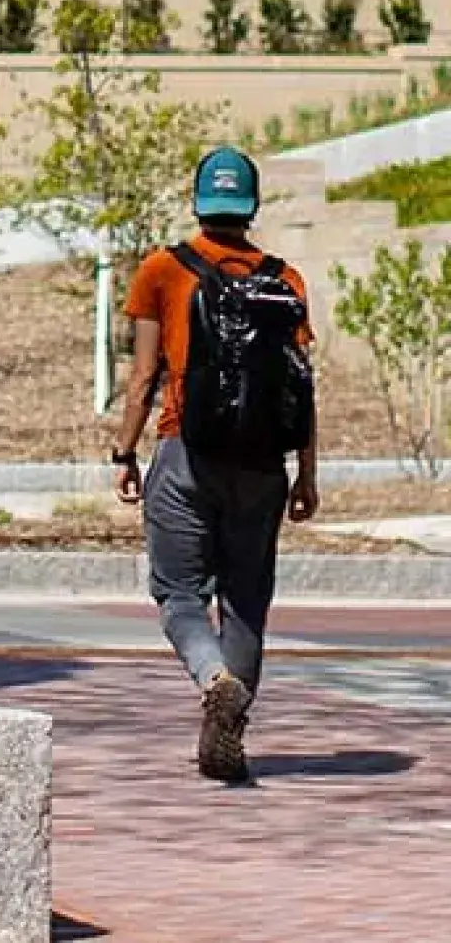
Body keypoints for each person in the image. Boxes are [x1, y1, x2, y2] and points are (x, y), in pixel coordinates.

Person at [106, 145, 319, 783]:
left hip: (186, 452)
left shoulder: (163, 271)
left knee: (176, 591)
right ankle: (226, 737)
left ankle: (212, 676)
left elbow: (144, 377)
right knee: (246, 600)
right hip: (262, 462)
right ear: (251, 207)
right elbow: (302, 385)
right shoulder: (286, 279)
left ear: (199, 202)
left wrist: (125, 450)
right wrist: (307, 472)